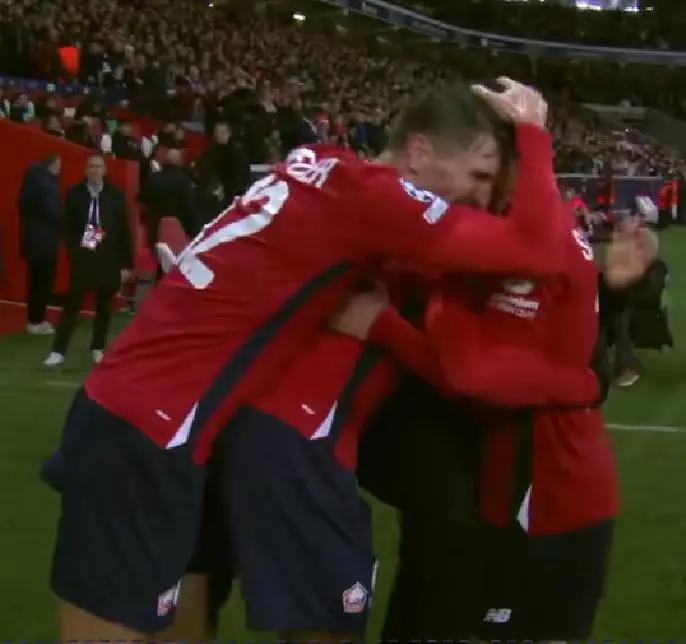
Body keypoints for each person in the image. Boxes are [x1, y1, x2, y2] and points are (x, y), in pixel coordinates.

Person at [43, 79, 567, 641]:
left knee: (165, 607)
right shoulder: (374, 200)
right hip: (145, 424)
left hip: (153, 414)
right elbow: (538, 249)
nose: (481, 199)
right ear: (418, 152)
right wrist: (533, 132)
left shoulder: (321, 163)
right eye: (478, 176)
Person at [335, 208, 653, 640]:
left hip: (543, 492)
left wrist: (604, 303)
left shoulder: (525, 242)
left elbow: (496, 374)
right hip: (486, 484)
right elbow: (486, 375)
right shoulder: (435, 241)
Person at [43, 155, 133, 368]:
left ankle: (98, 347)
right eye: (91, 166)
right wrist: (75, 251)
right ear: (86, 170)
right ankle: (58, 351)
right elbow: (67, 226)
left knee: (104, 306)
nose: (94, 170)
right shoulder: (74, 194)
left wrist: (125, 264)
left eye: (98, 166)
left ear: (104, 170)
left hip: (108, 258)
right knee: (72, 305)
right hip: (83, 257)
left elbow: (124, 231)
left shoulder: (116, 196)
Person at [18, 155, 62, 335]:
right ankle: (37, 321)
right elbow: (54, 213)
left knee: (35, 282)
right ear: (52, 165)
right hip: (46, 244)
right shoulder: (47, 187)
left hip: (32, 242)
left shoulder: (29, 186)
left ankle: (34, 320)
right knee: (43, 283)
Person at [194, 121, 251, 202]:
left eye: (222, 132)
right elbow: (203, 167)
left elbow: (241, 176)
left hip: (235, 193)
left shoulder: (237, 152)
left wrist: (226, 188)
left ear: (229, 133)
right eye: (217, 132)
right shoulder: (211, 151)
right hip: (216, 191)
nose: (219, 135)